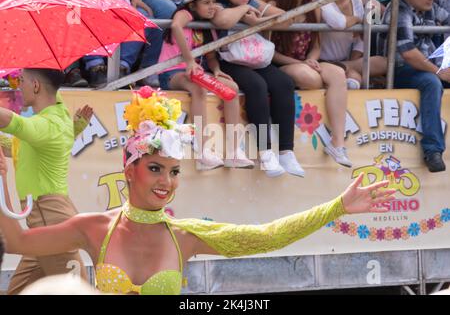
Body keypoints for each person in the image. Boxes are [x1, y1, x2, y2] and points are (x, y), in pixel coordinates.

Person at [0, 87, 395, 295]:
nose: (166, 182)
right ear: (129, 170)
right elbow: (16, 240)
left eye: (173, 172)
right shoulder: (92, 228)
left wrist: (338, 206)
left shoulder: (185, 237)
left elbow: (266, 237)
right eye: (155, 169)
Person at [0, 69, 91, 295]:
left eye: (21, 81)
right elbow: (15, 148)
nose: (18, 86)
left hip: (51, 223)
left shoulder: (48, 125)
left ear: (36, 86)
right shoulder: (56, 117)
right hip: (42, 224)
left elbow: (16, 125)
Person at [212, 0, 305, 178]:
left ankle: (286, 152)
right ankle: (266, 151)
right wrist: (243, 10)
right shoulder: (215, 3)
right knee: (257, 85)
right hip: (228, 60)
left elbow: (286, 19)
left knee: (284, 83)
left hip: (254, 58)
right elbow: (223, 21)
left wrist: (257, 20)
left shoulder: (254, 3)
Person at [158, 0, 254, 170]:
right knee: (198, 88)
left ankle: (234, 152)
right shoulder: (186, 13)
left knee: (231, 88)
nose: (212, 7)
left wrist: (217, 70)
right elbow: (176, 26)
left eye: (213, 2)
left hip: (195, 72)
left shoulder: (206, 26)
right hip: (171, 72)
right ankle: (202, 151)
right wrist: (189, 61)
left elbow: (209, 55)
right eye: (206, 3)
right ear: (193, 5)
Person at [272, 0, 352, 168]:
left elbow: (316, 45)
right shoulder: (274, 4)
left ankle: (337, 144)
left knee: (338, 74)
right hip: (283, 63)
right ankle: (329, 88)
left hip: (307, 62)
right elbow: (269, 50)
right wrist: (300, 63)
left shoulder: (314, 5)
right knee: (308, 76)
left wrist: (311, 59)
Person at [377, 0, 449, 172]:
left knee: (432, 79)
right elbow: (408, 53)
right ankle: (433, 151)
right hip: (399, 69)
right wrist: (440, 72)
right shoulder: (400, 9)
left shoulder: (429, 6)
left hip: (426, 67)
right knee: (431, 82)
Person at [314, 0, 387, 89]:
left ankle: (345, 67)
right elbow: (339, 23)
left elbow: (361, 39)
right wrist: (358, 20)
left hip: (347, 60)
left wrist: (351, 62)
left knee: (384, 63)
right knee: (354, 78)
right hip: (321, 61)